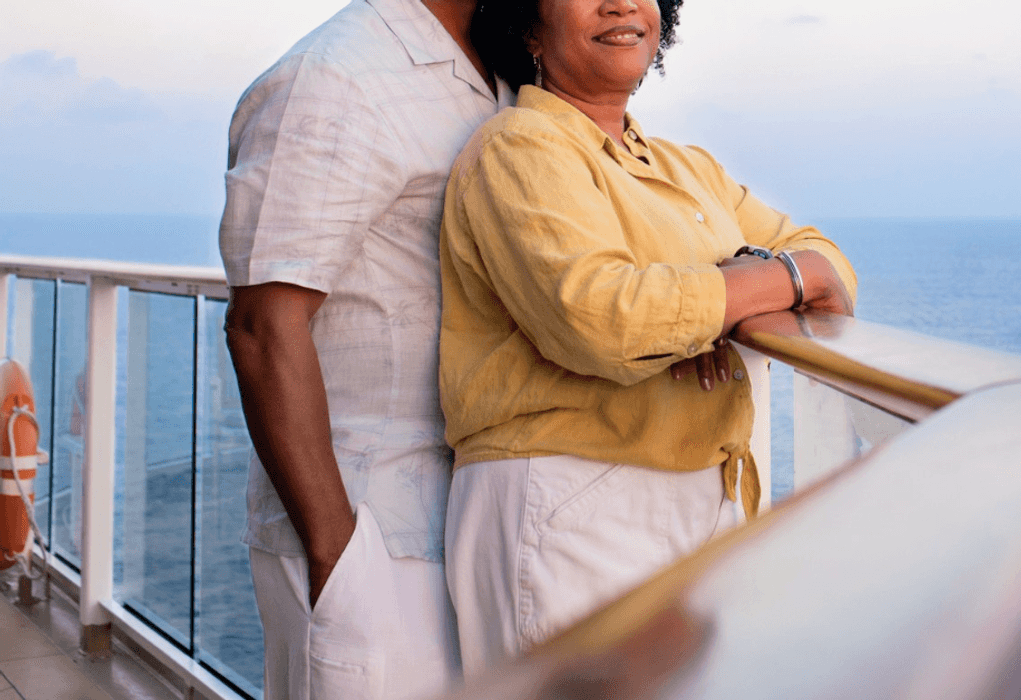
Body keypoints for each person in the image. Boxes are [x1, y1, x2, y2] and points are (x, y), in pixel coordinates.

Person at [439, 0, 858, 676]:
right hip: (571, 498)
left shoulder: (688, 169)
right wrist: (765, 281)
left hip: (704, 492)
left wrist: (724, 298)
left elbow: (828, 263)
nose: (621, 4)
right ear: (526, 25)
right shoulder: (517, 146)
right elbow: (604, 321)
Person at [218, 1, 514, 697]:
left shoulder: (503, 67)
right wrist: (335, 550)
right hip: (369, 530)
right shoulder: (333, 77)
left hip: (472, 515)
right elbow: (262, 327)